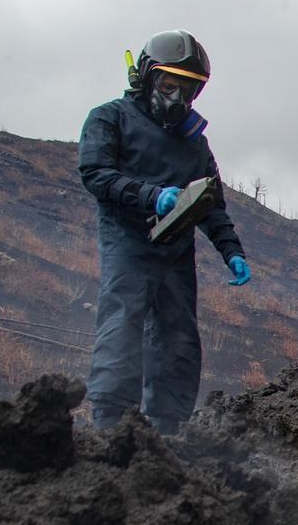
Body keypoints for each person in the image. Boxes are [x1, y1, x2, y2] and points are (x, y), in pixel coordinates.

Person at [78, 29, 250, 434]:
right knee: (122, 324)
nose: (177, 98)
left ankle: (168, 428)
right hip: (127, 241)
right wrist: (151, 196)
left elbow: (212, 204)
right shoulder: (110, 118)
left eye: (187, 90)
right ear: (146, 77)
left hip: (176, 249)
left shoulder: (194, 144)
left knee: (179, 338)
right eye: (169, 84)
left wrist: (232, 251)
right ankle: (110, 424)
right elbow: (95, 173)